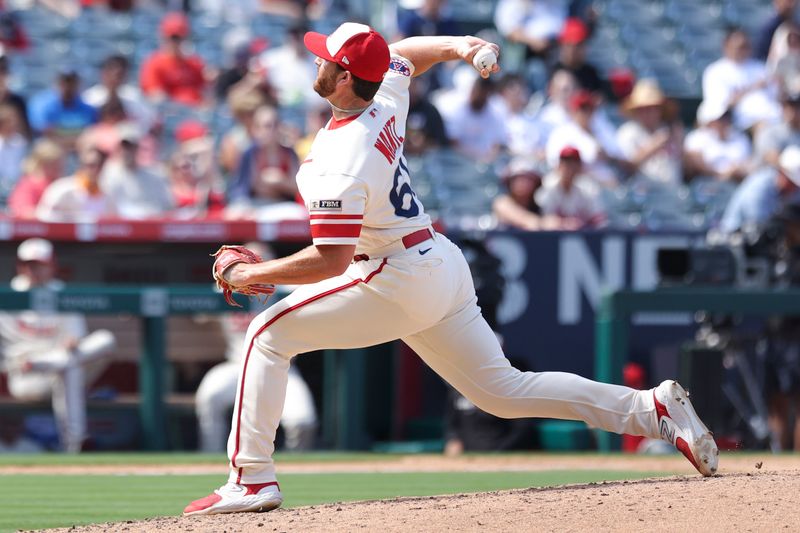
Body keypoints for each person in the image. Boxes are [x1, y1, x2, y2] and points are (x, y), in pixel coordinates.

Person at [183, 23, 718, 517]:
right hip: (436, 260)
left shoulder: (341, 159)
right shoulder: (381, 96)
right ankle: (651, 410)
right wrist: (463, 45)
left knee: (266, 335)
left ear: (344, 78)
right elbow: (405, 56)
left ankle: (252, 478)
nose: (315, 61)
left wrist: (250, 277)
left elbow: (332, 259)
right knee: (503, 392)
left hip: (393, 274)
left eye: (325, 58)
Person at [195, 244, 317, 453]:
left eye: (261, 261)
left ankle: (296, 471)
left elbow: (317, 287)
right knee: (210, 397)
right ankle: (210, 459)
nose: (255, 265)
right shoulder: (222, 290)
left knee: (302, 421)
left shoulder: (289, 290)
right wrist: (227, 279)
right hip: (237, 366)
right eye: (250, 260)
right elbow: (198, 315)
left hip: (281, 365)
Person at [0, 238, 115, 452]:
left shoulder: (62, 293)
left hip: (56, 363)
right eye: (29, 264)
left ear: (52, 265)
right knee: (70, 367)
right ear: (20, 266)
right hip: (27, 377)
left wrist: (72, 342)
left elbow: (76, 338)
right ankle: (75, 443)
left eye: (40, 264)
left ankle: (74, 442)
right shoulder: (7, 297)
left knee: (105, 340)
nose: (34, 270)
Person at [226, 105, 300, 214]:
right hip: (255, 204)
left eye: (275, 125)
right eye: (267, 126)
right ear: (256, 129)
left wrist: (280, 181)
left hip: (284, 204)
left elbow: (297, 188)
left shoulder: (289, 153)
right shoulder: (249, 154)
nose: (272, 130)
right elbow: (244, 188)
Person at [702, 27, 780, 131]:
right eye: (739, 47)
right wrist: (752, 88)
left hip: (774, 117)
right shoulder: (715, 71)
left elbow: (777, 97)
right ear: (726, 46)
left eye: (746, 46)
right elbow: (722, 106)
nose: (743, 50)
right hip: (740, 122)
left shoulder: (760, 68)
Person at [718, 145, 800, 234]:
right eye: (791, 182)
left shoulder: (789, 190)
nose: (794, 189)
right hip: (734, 237)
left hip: (760, 236)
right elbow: (758, 223)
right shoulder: (759, 186)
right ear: (781, 172)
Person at [616, 79, 683, 185]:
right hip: (642, 193)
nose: (648, 113)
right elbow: (627, 167)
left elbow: (684, 166)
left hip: (672, 192)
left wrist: (679, 142)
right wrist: (654, 146)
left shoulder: (669, 130)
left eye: (652, 108)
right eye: (643, 109)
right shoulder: (627, 133)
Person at [99, 125, 173, 219]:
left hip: (151, 224)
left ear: (137, 147)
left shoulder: (155, 174)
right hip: (122, 226)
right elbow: (108, 207)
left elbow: (167, 205)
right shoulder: (110, 172)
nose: (127, 151)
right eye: (124, 146)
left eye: (131, 146)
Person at [139, 12, 208, 107]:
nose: (175, 42)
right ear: (163, 38)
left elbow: (205, 91)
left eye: (179, 38)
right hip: (170, 113)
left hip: (195, 111)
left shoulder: (194, 63)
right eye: (173, 38)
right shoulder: (154, 63)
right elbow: (155, 95)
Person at [492, 156, 574, 230]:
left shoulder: (539, 207)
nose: (522, 183)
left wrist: (563, 223)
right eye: (517, 179)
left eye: (528, 179)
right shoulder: (502, 203)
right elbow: (525, 220)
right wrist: (543, 223)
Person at [36, 146, 115, 222]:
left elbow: (114, 222)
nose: (95, 170)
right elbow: (43, 216)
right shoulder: (62, 188)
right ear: (81, 165)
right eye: (91, 165)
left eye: (100, 165)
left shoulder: (108, 194)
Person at [27, 68, 98, 151]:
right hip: (53, 151)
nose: (68, 87)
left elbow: (91, 133)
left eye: (71, 82)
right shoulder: (42, 104)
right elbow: (46, 133)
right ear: (56, 83)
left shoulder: (87, 108)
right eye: (64, 82)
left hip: (79, 151)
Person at [683, 100, 752, 182]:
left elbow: (747, 165)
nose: (725, 121)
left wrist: (734, 171)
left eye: (726, 116)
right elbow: (692, 162)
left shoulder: (740, 138)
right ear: (708, 121)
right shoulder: (696, 138)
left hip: (735, 185)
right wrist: (719, 175)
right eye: (720, 118)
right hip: (704, 185)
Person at [83, 55, 155, 133]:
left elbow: (148, 121)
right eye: (112, 73)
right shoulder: (90, 97)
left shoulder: (134, 95)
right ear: (104, 73)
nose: (115, 78)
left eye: (120, 74)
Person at [536, 146, 604, 227]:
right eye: (566, 163)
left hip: (581, 235)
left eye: (573, 163)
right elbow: (544, 220)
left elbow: (599, 219)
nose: (569, 168)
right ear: (559, 165)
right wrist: (563, 223)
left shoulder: (587, 188)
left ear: (579, 167)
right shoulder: (548, 184)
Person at [6, 138, 63, 218]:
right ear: (41, 163)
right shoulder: (28, 185)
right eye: (53, 164)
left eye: (60, 164)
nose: (58, 168)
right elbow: (24, 211)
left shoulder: (61, 185)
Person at [755, 91, 800, 167]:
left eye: (795, 107)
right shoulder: (772, 131)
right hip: (771, 172)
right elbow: (771, 157)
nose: (791, 111)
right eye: (786, 106)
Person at [0, 102, 28, 203]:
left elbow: (25, 167)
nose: (14, 125)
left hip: (17, 187)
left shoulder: (21, 142)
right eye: (9, 122)